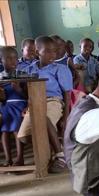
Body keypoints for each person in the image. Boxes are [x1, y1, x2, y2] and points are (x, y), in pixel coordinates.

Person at [18, 36, 73, 173]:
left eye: (54, 51)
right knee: (24, 136)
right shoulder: (29, 70)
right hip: (34, 103)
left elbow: (67, 94)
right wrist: (26, 102)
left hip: (53, 101)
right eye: (47, 51)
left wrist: (66, 118)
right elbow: (27, 92)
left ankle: (61, 156)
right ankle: (50, 151)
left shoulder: (60, 69)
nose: (52, 54)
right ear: (37, 53)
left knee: (44, 118)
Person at [0, 47, 27, 166]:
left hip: (20, 104)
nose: (13, 61)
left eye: (15, 58)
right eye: (9, 58)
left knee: (16, 128)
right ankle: (8, 159)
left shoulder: (22, 75)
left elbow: (28, 95)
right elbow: (2, 98)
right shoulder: (0, 77)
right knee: (4, 130)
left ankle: (20, 157)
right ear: (1, 60)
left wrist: (18, 89)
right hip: (5, 105)